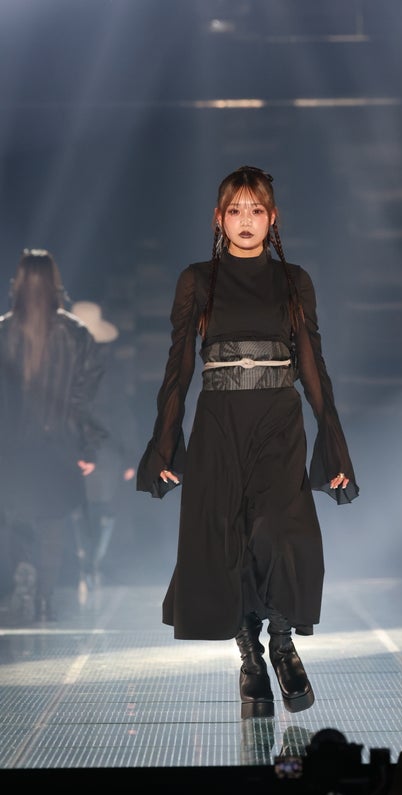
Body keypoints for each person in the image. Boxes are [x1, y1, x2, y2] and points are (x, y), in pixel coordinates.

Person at [137, 165, 359, 719]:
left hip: (278, 420)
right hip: (219, 422)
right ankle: (250, 659)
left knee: (280, 531)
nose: (245, 220)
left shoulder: (294, 281)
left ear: (272, 217)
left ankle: (281, 644)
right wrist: (165, 442)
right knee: (226, 538)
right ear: (218, 218)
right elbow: (178, 367)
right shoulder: (197, 280)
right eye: (234, 210)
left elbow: (313, 365)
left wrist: (333, 445)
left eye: (255, 210)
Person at [0, 249, 106, 622]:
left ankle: (22, 575)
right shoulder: (76, 333)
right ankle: (45, 598)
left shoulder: (3, 331)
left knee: (16, 519)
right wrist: (88, 447)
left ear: (18, 282)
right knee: (53, 524)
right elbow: (85, 398)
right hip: (59, 444)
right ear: (54, 282)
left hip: (11, 447)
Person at [69, 301, 138, 599]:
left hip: (72, 446)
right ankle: (91, 564)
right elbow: (119, 414)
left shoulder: (59, 363)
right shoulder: (107, 370)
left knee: (79, 509)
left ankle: (85, 564)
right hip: (101, 448)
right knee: (99, 510)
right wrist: (130, 453)